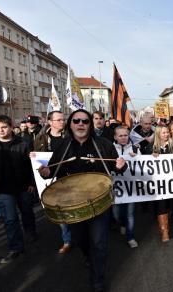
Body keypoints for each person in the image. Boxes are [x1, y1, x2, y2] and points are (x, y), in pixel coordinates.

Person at [38, 109, 126, 292]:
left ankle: (98, 281)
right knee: (80, 240)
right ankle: (88, 255)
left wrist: (120, 166)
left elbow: (116, 168)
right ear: (70, 124)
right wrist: (46, 172)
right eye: (76, 120)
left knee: (99, 242)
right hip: (73, 203)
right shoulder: (63, 146)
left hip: (99, 202)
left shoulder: (103, 144)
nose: (80, 124)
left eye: (85, 121)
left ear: (90, 125)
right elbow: (54, 170)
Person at [0, 115, 38, 264]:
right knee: (10, 219)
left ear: (11, 126)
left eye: (4, 127)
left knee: (27, 211)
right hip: (3, 188)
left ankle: (30, 232)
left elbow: (31, 164)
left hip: (23, 186)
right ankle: (16, 247)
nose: (1, 130)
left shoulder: (23, 142)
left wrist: (32, 182)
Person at [32, 111, 72, 254]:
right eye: (59, 120)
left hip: (70, 178)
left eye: (63, 119)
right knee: (59, 211)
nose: (62, 122)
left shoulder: (70, 136)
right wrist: (33, 156)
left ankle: (79, 237)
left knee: (73, 208)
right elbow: (37, 159)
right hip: (52, 180)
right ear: (50, 122)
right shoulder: (40, 139)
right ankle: (67, 240)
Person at [148, 125, 173, 242]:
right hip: (157, 183)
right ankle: (164, 231)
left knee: (169, 205)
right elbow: (143, 161)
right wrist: (151, 156)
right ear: (158, 134)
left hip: (170, 182)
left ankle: (167, 224)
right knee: (161, 205)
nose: (166, 135)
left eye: (167, 132)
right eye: (163, 133)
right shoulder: (151, 147)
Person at [112, 126, 139, 248]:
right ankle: (122, 223)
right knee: (116, 214)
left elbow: (143, 166)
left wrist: (137, 157)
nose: (123, 138)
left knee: (130, 214)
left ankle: (130, 237)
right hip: (115, 188)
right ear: (115, 137)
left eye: (125, 135)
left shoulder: (135, 149)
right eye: (120, 135)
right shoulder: (109, 149)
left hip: (130, 187)